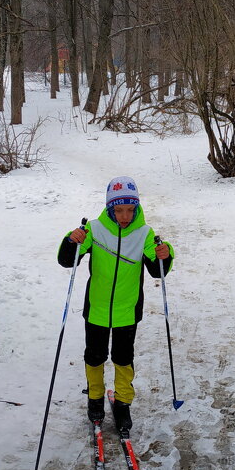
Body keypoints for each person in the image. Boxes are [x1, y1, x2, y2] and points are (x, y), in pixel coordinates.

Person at [57, 176, 174, 434]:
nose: (124, 216)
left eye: (130, 210)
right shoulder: (95, 230)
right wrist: (72, 239)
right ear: (110, 208)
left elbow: (157, 271)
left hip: (127, 310)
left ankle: (122, 403)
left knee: (123, 358)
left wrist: (165, 254)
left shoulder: (145, 233)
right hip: (97, 309)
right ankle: (95, 398)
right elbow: (67, 261)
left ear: (137, 209)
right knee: (95, 356)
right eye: (119, 210)